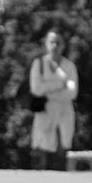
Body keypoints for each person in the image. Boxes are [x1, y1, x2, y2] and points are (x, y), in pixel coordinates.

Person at [28, 30, 78, 170]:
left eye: (58, 42)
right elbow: (36, 89)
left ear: (63, 46)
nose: (54, 46)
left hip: (64, 108)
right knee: (43, 142)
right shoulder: (39, 63)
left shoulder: (69, 66)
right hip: (45, 109)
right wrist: (59, 85)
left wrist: (50, 92)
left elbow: (72, 92)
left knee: (65, 141)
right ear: (46, 44)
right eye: (51, 42)